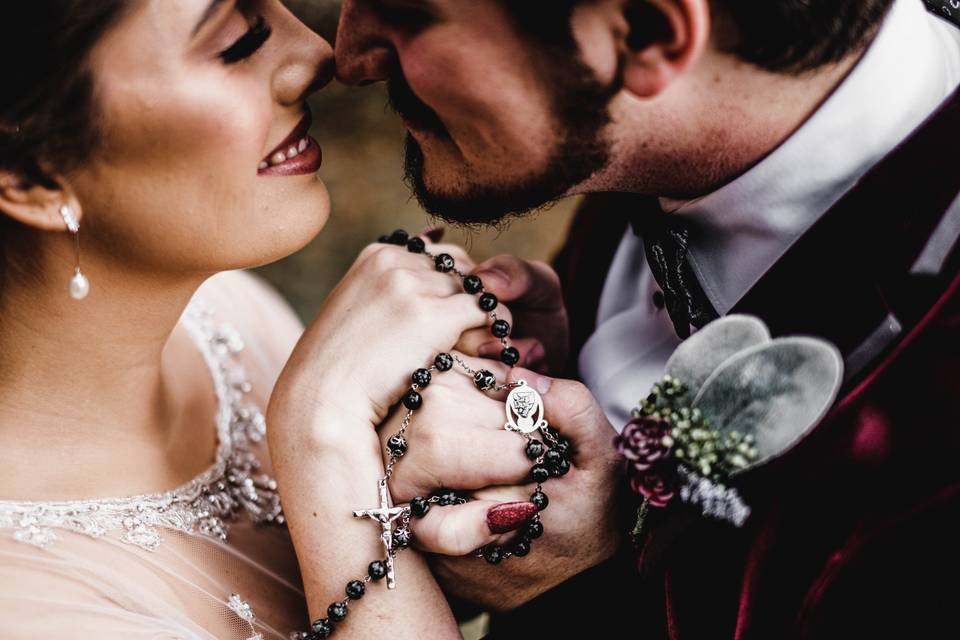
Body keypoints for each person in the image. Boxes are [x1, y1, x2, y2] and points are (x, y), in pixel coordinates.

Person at [334, 0, 960, 636]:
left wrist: (326, 431)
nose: (349, 58)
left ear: (649, 31)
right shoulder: (661, 131)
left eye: (405, 14)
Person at [0, 2, 533, 637]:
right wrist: (321, 428)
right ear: (31, 174)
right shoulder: (32, 608)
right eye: (238, 41)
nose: (316, 55)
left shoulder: (228, 315)